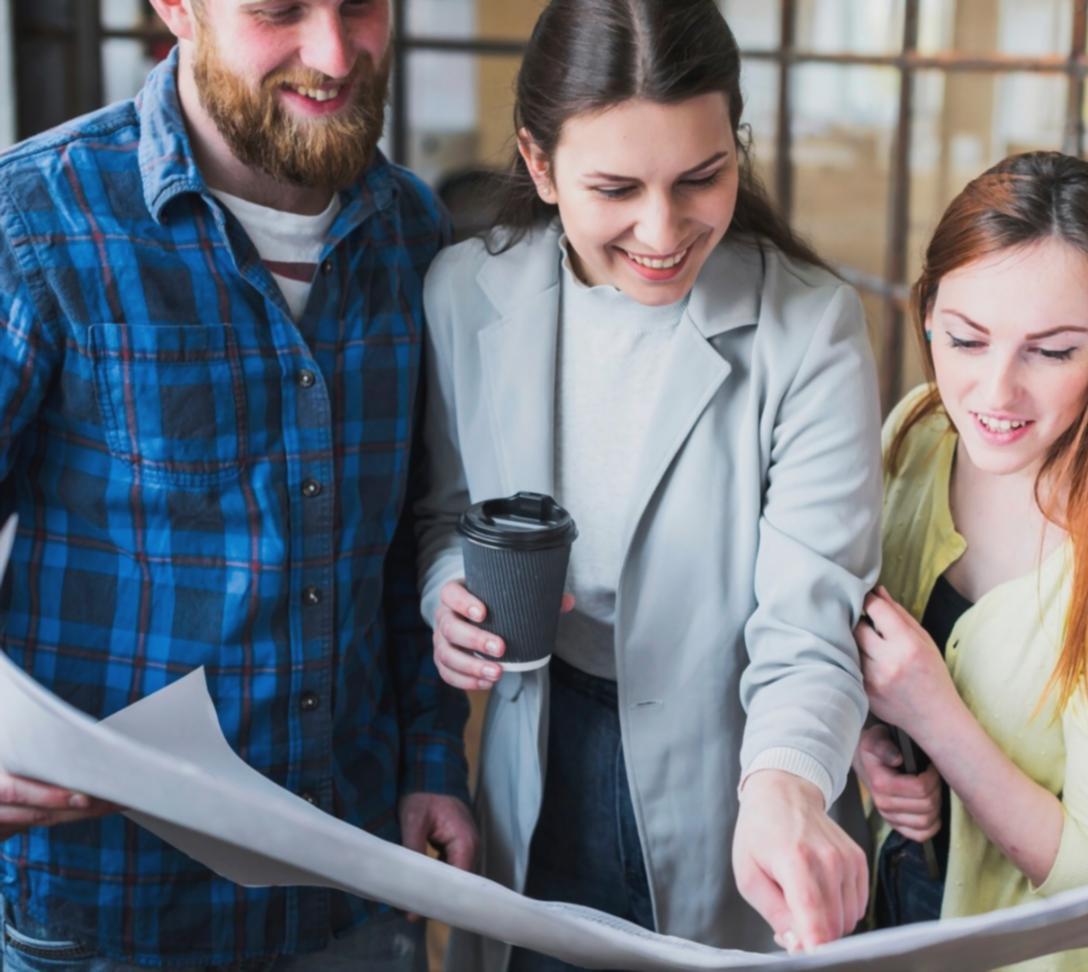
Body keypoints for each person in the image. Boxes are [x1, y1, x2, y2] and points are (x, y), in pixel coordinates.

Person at [0, 1, 475, 968]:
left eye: (360, 4)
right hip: (109, 915)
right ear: (176, 8)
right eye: (278, 10)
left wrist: (433, 760)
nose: (332, 53)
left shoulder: (415, 230)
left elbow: (406, 542)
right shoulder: (33, 219)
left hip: (354, 889)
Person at [415, 1, 882, 969]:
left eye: (701, 177)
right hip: (538, 763)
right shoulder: (459, 293)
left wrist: (787, 781)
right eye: (615, 188)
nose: (662, 230)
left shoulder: (811, 328)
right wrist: (446, 589)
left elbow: (810, 620)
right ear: (539, 164)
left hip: (739, 765)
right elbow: (443, 517)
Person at [853, 152, 1088, 971]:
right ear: (927, 314)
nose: (994, 393)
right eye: (964, 339)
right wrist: (865, 750)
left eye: (1050, 352)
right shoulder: (917, 435)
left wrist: (936, 718)